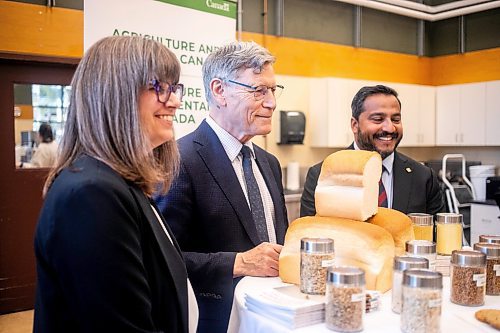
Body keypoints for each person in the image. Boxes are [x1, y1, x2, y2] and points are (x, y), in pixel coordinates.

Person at [33, 36, 198, 333]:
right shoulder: (91, 195)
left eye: (174, 88)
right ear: (115, 94)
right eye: (159, 87)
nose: (174, 101)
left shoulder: (121, 183)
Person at [155, 41, 288, 332]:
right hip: (215, 320)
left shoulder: (268, 163)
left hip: (275, 317)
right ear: (219, 90)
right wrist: (238, 263)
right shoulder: (180, 160)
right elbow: (162, 261)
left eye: (273, 90)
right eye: (258, 91)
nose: (271, 102)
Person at [301, 84, 444, 217]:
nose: (390, 128)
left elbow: (438, 238)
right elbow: (310, 236)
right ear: (355, 125)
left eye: (395, 119)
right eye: (378, 119)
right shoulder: (323, 175)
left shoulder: (423, 177)